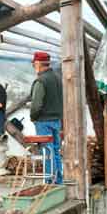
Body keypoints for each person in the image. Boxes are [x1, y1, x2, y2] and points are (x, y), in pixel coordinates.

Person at [30, 52, 63, 184]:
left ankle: (49, 183)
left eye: (34, 64)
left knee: (47, 152)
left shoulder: (41, 80)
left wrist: (33, 117)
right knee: (55, 151)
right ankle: (58, 181)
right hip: (56, 120)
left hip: (43, 122)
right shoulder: (57, 78)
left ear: (38, 64)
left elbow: (36, 105)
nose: (34, 67)